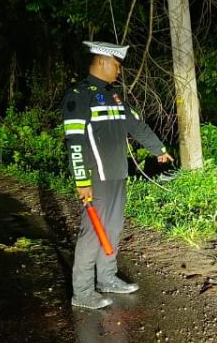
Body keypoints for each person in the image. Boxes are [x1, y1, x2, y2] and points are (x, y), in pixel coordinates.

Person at [62, 40, 174, 310]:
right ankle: (83, 291)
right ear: (102, 61)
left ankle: (107, 278)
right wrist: (82, 180)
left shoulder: (113, 95)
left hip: (117, 174)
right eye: (116, 65)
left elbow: (135, 124)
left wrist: (157, 148)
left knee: (112, 228)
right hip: (95, 177)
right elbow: (74, 142)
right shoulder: (79, 95)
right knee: (92, 233)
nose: (119, 71)